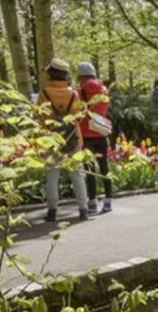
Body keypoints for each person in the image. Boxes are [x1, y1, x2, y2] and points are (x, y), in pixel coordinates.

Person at [37, 58, 89, 222]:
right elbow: (79, 115)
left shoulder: (44, 93)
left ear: (51, 73)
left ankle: (52, 211)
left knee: (52, 174)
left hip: (51, 138)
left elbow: (39, 115)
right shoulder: (73, 93)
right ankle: (83, 209)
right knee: (77, 174)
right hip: (73, 137)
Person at [77, 62, 112, 214]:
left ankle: (92, 202)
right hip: (101, 132)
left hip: (86, 134)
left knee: (89, 170)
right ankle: (108, 202)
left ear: (81, 76)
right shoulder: (104, 91)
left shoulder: (80, 92)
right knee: (104, 168)